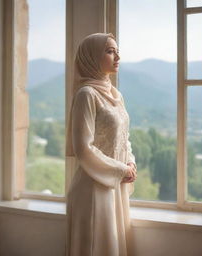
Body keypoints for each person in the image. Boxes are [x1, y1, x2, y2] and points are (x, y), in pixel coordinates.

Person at [65, 32, 137, 256]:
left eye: (117, 51)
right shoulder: (86, 95)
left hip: (116, 186)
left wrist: (130, 163)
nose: (117, 57)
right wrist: (121, 169)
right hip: (93, 190)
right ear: (91, 56)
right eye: (109, 51)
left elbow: (124, 137)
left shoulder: (116, 94)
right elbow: (83, 148)